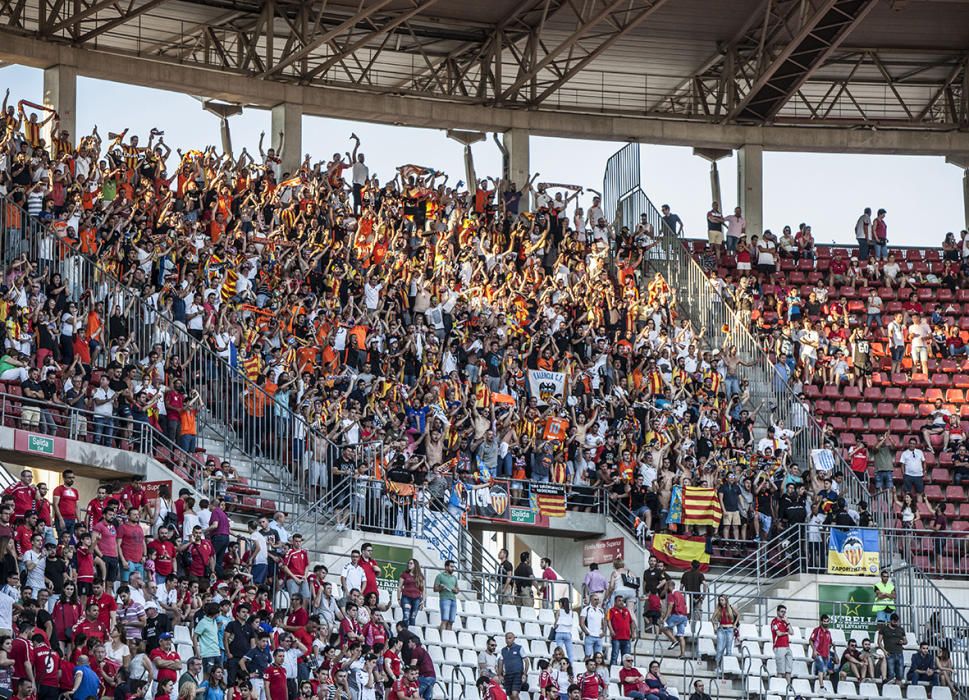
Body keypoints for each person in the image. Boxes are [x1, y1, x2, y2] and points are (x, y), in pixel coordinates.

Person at [660, 581, 689, 658]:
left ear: (668, 586)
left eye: (665, 586)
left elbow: (670, 606)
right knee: (681, 635)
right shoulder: (680, 594)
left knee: (663, 627)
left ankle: (674, 641)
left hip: (677, 615)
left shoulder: (671, 594)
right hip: (684, 616)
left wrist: (665, 618)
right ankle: (682, 654)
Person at [497, 632, 527, 700]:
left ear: (514, 639)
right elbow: (501, 662)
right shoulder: (503, 650)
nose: (508, 640)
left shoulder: (519, 648)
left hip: (517, 674)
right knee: (510, 695)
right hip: (507, 675)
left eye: (510, 638)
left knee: (514, 694)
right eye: (506, 638)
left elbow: (526, 661)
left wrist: (524, 674)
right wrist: (499, 674)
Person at [606, 595, 635, 667]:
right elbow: (608, 620)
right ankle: (612, 672)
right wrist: (611, 630)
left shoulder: (626, 611)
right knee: (614, 656)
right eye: (619, 601)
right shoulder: (611, 610)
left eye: (622, 601)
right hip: (616, 637)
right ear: (615, 602)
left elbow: (632, 622)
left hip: (627, 637)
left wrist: (633, 633)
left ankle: (625, 673)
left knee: (626, 658)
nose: (621, 602)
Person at [809, 614, 835, 691]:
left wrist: (830, 650)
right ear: (821, 621)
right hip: (818, 653)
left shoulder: (828, 633)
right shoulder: (817, 630)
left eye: (827, 621)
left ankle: (822, 687)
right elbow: (810, 640)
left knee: (824, 671)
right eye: (824, 621)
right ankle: (821, 687)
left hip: (826, 655)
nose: (826, 623)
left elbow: (829, 643)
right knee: (821, 668)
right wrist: (814, 650)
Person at [878, 614, 906, 684]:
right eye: (894, 621)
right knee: (890, 674)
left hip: (899, 653)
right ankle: (889, 690)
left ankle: (897, 690)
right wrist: (884, 651)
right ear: (890, 620)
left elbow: (906, 641)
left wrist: (903, 642)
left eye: (897, 621)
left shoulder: (901, 629)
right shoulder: (884, 629)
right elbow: (879, 642)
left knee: (900, 674)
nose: (896, 623)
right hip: (889, 653)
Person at [711, 595, 738, 668]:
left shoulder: (731, 607)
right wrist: (715, 625)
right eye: (720, 600)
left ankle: (726, 667)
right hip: (722, 629)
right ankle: (717, 665)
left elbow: (738, 615)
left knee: (729, 649)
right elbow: (712, 618)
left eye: (722, 600)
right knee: (720, 648)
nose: (721, 601)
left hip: (730, 628)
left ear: (726, 600)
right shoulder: (718, 608)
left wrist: (734, 624)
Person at [770, 605, 793, 689]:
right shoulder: (774, 622)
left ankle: (788, 687)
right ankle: (779, 687)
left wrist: (788, 622)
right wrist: (786, 633)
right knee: (780, 670)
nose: (783, 613)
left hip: (787, 647)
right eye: (782, 611)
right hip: (779, 647)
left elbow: (792, 632)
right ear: (777, 611)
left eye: (784, 612)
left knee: (788, 670)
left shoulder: (784, 622)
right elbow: (778, 633)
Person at [397, 559, 425, 628]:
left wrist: (423, 601)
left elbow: (423, 589)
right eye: (408, 563)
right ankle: (403, 634)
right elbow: (399, 587)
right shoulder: (404, 574)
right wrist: (398, 598)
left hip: (417, 599)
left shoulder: (420, 576)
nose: (409, 564)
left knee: (413, 617)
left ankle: (410, 635)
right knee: (406, 616)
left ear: (415, 565)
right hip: (406, 597)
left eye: (411, 563)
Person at [432, 560, 458, 631]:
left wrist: (455, 590)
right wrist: (441, 587)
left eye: (453, 567)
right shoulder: (440, 576)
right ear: (446, 567)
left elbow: (457, 589)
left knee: (451, 621)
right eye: (451, 566)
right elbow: (435, 588)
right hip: (444, 599)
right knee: (445, 619)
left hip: (453, 599)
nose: (453, 568)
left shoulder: (454, 578)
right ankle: (442, 636)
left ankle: (447, 638)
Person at [551, 598, 576, 669]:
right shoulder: (571, 613)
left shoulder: (559, 612)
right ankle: (570, 667)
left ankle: (559, 666)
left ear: (561, 604)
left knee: (559, 652)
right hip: (568, 633)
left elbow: (555, 624)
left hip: (559, 633)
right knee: (570, 653)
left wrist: (554, 627)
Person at [579, 594, 605, 660]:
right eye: (595, 599)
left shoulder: (601, 610)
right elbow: (581, 623)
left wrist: (604, 632)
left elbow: (604, 622)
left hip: (598, 636)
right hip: (590, 636)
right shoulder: (586, 609)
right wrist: (587, 632)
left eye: (598, 599)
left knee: (598, 657)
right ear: (591, 600)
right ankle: (585, 669)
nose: (597, 601)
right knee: (588, 655)